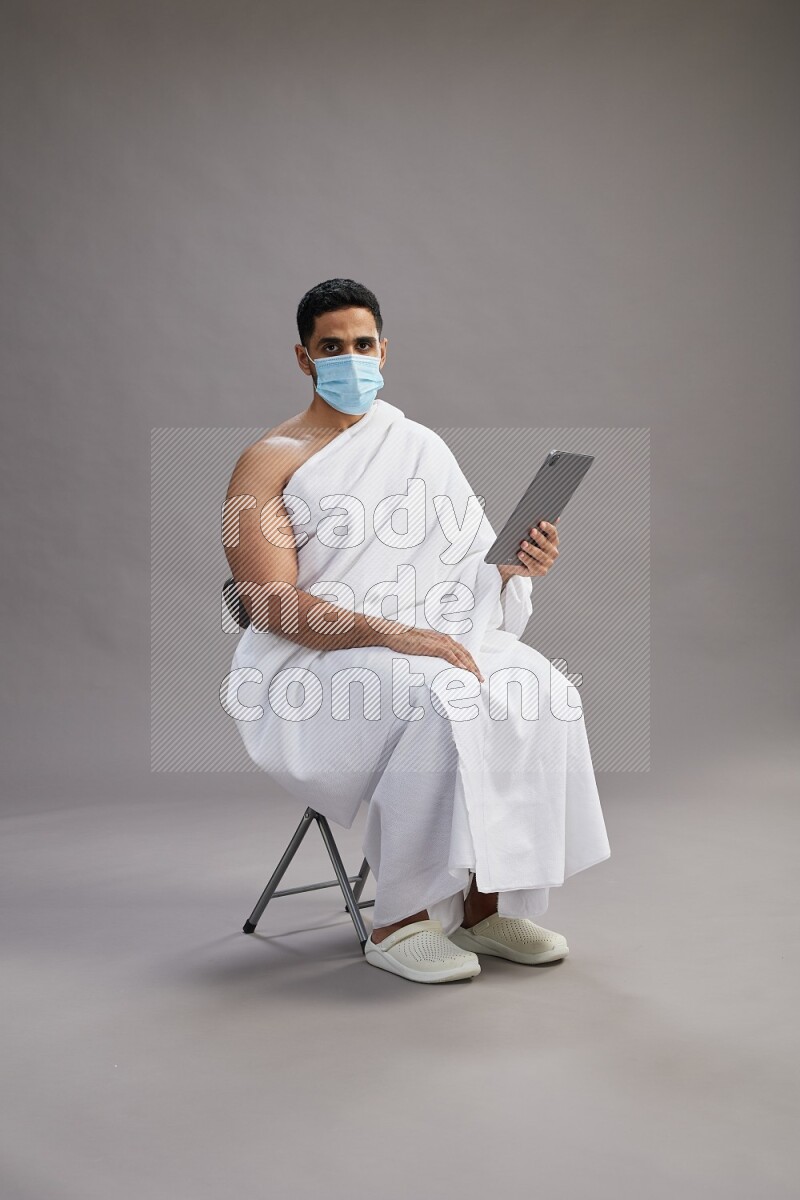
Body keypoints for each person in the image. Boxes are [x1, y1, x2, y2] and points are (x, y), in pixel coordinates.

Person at [222, 278, 610, 985]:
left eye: (362, 344)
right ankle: (399, 921)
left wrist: (514, 568)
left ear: (384, 349)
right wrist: (396, 635)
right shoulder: (266, 460)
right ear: (304, 358)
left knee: (541, 690)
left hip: (423, 637)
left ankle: (488, 906)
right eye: (331, 347)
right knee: (441, 699)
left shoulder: (418, 444)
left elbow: (464, 572)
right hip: (310, 661)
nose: (350, 358)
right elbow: (269, 603)